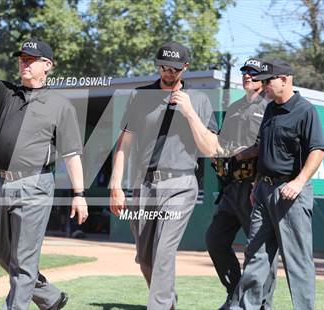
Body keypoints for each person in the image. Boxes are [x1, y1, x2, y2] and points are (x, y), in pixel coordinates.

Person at [0, 24, 88, 310]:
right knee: (5, 258)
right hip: (1, 184)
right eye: (21, 58)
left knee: (24, 262)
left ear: (46, 65)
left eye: (30, 59)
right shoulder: (6, 95)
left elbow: (72, 154)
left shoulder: (60, 105)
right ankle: (50, 297)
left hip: (35, 185)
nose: (23, 63)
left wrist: (79, 193)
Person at [110, 41, 220, 310]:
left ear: (186, 68)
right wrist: (116, 184)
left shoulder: (200, 100)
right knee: (145, 257)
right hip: (144, 185)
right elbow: (124, 144)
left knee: (163, 251)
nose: (167, 73)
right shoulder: (140, 96)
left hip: (181, 184)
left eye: (174, 68)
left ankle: (158, 306)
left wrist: (190, 112)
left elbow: (211, 149)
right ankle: (167, 302)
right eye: (162, 67)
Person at [231, 60, 324, 310]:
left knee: (297, 261)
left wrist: (299, 181)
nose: (264, 85)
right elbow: (264, 148)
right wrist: (254, 182)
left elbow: (317, 150)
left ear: (284, 79)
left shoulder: (305, 110)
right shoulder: (270, 109)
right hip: (263, 190)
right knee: (256, 256)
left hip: (291, 194)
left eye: (268, 80)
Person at [206, 58, 277, 310]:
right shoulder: (235, 107)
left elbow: (270, 147)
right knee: (214, 240)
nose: (247, 75)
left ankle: (261, 305)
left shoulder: (270, 106)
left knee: (259, 251)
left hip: (255, 187)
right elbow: (223, 143)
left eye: (253, 73)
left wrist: (244, 154)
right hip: (231, 187)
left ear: (263, 79)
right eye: (245, 71)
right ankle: (235, 293)